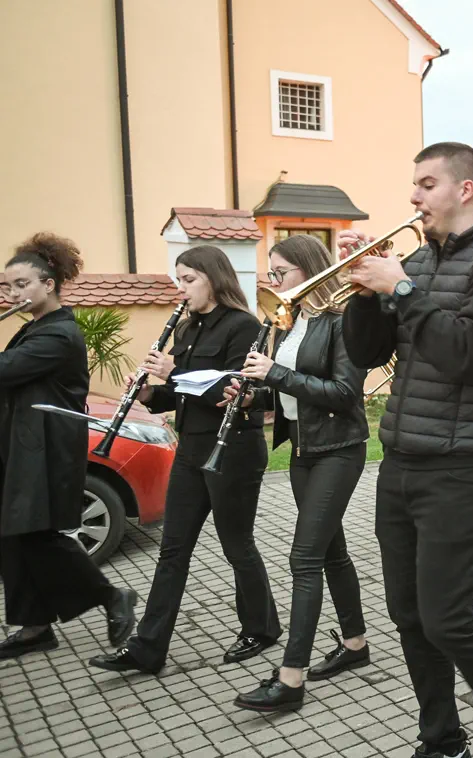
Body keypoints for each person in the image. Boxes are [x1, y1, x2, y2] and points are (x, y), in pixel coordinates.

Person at [337, 142, 473, 757]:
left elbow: (463, 354)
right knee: (407, 614)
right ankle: (441, 737)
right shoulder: (418, 264)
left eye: (427, 184)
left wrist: (399, 290)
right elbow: (370, 353)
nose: (413, 196)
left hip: (466, 464)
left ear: (465, 189)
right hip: (402, 458)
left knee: (447, 615)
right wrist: (366, 295)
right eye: (414, 185)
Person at [91, 246, 280, 675]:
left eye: (188, 279)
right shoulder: (188, 327)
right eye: (179, 279)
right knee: (172, 550)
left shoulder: (244, 327)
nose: (182, 288)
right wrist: (148, 394)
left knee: (237, 545)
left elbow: (229, 394)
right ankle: (148, 647)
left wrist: (172, 369)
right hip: (192, 449)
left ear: (214, 277)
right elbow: (183, 395)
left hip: (232, 450)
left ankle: (262, 627)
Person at [223, 235, 370, 712]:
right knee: (331, 553)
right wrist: (252, 396)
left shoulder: (341, 320)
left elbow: (346, 393)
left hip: (339, 449)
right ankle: (355, 645)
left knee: (303, 559)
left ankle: (290, 678)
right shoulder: (290, 322)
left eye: (280, 272)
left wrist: (275, 375)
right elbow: (286, 394)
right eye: (271, 271)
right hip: (305, 450)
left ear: (308, 270)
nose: (273, 280)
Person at [0, 233, 138, 660]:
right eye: (8, 286)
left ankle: (113, 596)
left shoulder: (58, 334)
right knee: (15, 536)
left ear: (49, 283)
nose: (13, 293)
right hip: (24, 446)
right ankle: (34, 627)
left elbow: (5, 371)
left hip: (46, 450)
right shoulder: (36, 328)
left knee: (37, 534)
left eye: (21, 284)